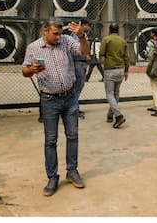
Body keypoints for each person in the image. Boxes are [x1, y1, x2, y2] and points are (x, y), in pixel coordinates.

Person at [21, 18, 89, 196]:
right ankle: (52, 176)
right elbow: (24, 71)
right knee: (51, 140)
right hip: (49, 100)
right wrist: (32, 70)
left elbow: (84, 53)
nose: (59, 37)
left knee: (72, 136)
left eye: (60, 33)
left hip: (70, 97)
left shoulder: (67, 41)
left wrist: (81, 36)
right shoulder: (33, 48)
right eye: (55, 34)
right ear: (45, 32)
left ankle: (72, 171)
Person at [99, 22, 130, 128]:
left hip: (109, 70)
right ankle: (109, 115)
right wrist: (126, 71)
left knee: (109, 94)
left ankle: (118, 116)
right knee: (116, 94)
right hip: (120, 70)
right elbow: (126, 57)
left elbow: (101, 53)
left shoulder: (106, 39)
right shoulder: (123, 41)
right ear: (118, 30)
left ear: (109, 30)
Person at [141, 29, 157, 117]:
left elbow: (150, 56)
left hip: (153, 68)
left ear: (153, 34)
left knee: (154, 89)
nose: (150, 34)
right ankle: (155, 106)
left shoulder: (150, 43)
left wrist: (145, 54)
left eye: (151, 32)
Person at [71, 19, 92, 119]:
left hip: (81, 63)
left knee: (78, 87)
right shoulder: (77, 35)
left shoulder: (81, 35)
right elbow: (76, 50)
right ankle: (73, 110)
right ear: (84, 25)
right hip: (78, 63)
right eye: (89, 26)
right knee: (77, 87)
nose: (89, 28)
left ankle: (75, 108)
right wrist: (85, 55)